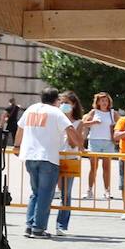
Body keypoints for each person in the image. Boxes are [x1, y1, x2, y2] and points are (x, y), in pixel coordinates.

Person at [16, 87, 84, 238]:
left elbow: (20, 128)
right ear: (56, 100)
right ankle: (38, 229)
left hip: (30, 156)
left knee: (35, 193)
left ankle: (29, 225)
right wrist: (81, 147)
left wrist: (16, 146)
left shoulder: (31, 109)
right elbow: (71, 129)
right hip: (48, 157)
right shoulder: (56, 112)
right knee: (45, 194)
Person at [54, 91, 88, 236]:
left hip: (70, 159)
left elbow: (74, 143)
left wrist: (68, 127)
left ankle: (61, 224)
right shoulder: (54, 118)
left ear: (74, 105)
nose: (64, 105)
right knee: (55, 191)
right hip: (54, 158)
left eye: (67, 103)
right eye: (61, 102)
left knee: (65, 194)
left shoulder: (78, 123)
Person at [82, 92, 116, 201]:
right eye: (102, 100)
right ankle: (89, 190)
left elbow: (122, 123)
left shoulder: (112, 113)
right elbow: (83, 123)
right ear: (97, 102)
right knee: (93, 168)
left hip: (108, 142)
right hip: (94, 141)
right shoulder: (94, 112)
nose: (104, 102)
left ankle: (107, 191)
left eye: (106, 100)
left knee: (106, 168)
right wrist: (94, 121)